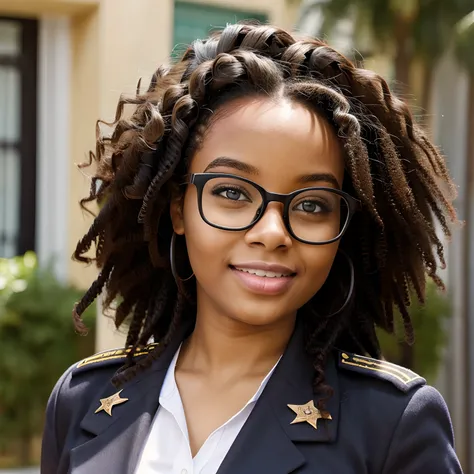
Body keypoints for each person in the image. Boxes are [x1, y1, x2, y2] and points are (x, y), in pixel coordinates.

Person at [41, 22, 463, 474]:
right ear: (178, 209)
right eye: (233, 193)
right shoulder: (82, 400)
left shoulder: (393, 423)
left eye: (313, 204)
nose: (273, 232)